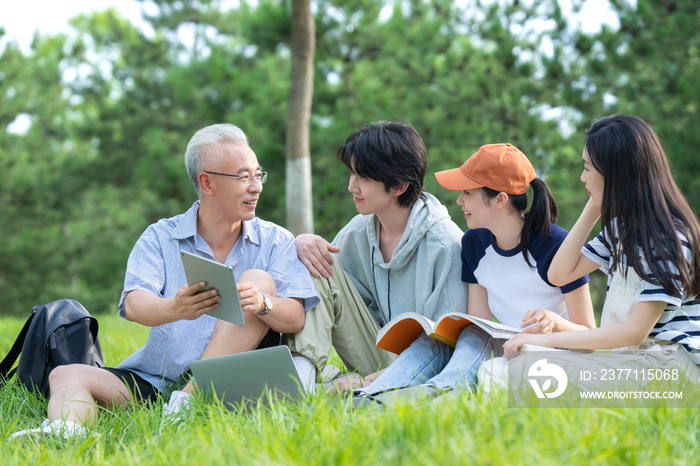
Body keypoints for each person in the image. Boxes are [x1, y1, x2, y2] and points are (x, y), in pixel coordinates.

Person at [9, 123, 319, 441]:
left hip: (231, 383)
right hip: (155, 383)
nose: (256, 187)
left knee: (258, 281)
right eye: (244, 177)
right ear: (207, 183)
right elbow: (134, 304)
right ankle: (69, 433)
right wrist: (175, 307)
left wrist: (263, 303)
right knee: (66, 374)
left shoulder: (276, 240)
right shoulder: (161, 236)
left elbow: (295, 318)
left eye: (258, 175)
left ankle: (187, 400)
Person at [355, 143, 595, 400]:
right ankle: (370, 396)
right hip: (509, 348)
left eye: (467, 193)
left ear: (500, 200)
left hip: (553, 355)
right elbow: (479, 322)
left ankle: (433, 397)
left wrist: (553, 323)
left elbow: (589, 336)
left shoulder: (557, 245)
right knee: (440, 339)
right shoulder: (474, 242)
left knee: (477, 347)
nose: (459, 201)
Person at [285, 121, 468, 393]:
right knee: (318, 260)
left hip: (426, 366)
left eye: (364, 178)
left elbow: (448, 346)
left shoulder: (446, 244)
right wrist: (299, 244)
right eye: (353, 174)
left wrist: (366, 382)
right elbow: (328, 290)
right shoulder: (359, 230)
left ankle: (339, 386)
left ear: (399, 186)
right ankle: (301, 382)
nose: (351, 187)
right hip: (377, 355)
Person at [504, 115, 700, 366]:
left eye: (587, 169)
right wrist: (594, 206)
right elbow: (559, 274)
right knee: (505, 370)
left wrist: (550, 340)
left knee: (520, 371)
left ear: (615, 173)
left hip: (670, 369)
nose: (582, 178)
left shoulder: (668, 238)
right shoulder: (621, 229)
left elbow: (635, 332)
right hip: (634, 363)